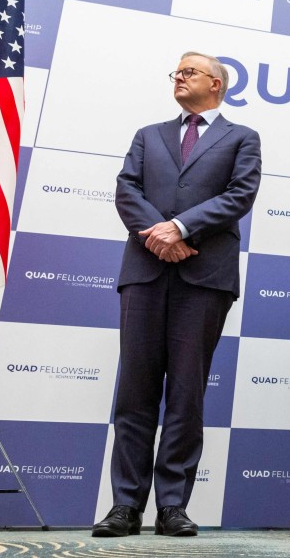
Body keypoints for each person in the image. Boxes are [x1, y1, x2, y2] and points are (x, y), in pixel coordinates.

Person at [92, 52, 261, 538]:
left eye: (189, 71)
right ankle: (125, 505)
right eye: (177, 72)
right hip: (145, 270)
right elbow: (127, 189)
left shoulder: (242, 138)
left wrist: (182, 227)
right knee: (135, 392)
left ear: (216, 83)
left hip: (204, 276)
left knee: (186, 393)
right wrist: (158, 234)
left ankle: (172, 506)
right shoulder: (149, 134)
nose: (179, 77)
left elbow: (239, 195)